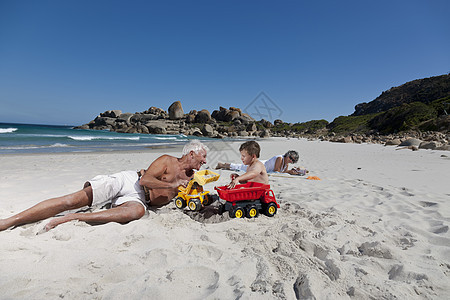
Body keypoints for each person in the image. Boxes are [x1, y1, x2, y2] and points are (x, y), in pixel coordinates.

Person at [0, 140, 208, 232]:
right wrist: (174, 183)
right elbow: (144, 180)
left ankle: (75, 217)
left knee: (136, 212)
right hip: (130, 181)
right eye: (202, 157)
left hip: (139, 199)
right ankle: (10, 221)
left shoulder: (192, 177)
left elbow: (192, 199)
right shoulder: (167, 161)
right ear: (191, 154)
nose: (204, 162)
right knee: (71, 200)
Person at [217, 150, 305, 175]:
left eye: (293, 160)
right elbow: (277, 171)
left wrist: (291, 172)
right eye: (290, 158)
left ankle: (223, 165)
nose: (291, 160)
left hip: (262, 168)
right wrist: (289, 172)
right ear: (287, 155)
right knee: (240, 167)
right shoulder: (280, 158)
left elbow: (282, 172)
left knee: (241, 167)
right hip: (259, 166)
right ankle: (222, 165)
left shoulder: (286, 163)